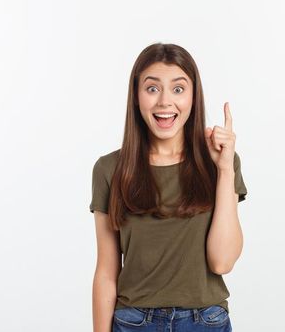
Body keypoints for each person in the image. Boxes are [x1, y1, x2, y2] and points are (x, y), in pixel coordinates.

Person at [89, 43, 248, 332]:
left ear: (193, 97)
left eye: (178, 89)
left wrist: (224, 169)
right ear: (136, 97)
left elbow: (222, 261)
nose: (165, 101)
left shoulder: (221, 162)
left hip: (206, 321)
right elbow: (106, 271)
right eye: (152, 89)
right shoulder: (109, 169)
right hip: (134, 322)